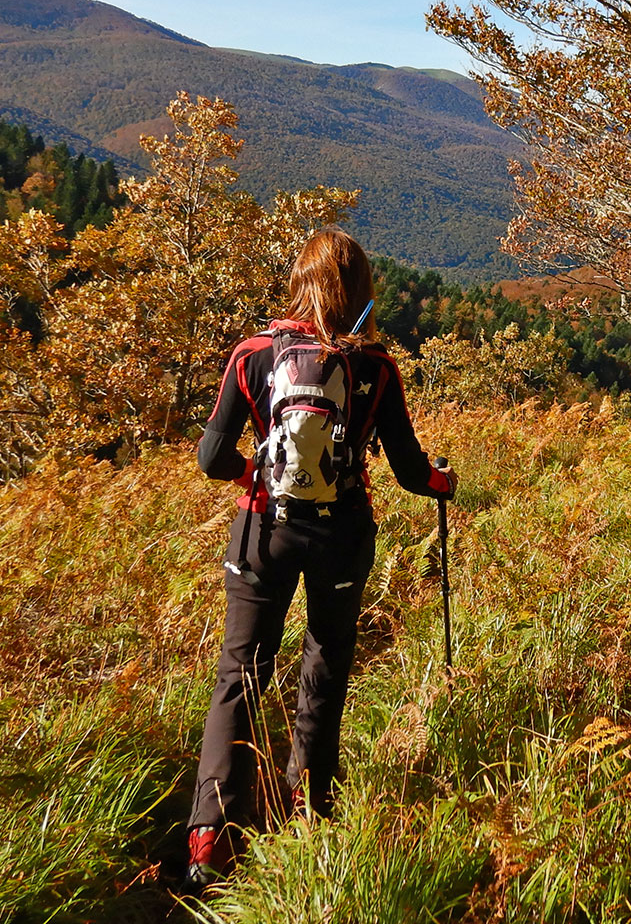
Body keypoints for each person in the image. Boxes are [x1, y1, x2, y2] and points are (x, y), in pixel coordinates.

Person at [184, 227, 455, 889]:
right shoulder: (375, 369)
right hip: (342, 535)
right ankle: (310, 813)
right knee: (326, 667)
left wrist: (262, 470)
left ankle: (209, 843)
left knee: (241, 674)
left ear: (299, 286)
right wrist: (444, 481)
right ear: (360, 293)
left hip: (261, 532)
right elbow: (413, 472)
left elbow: (211, 459)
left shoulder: (252, 354)